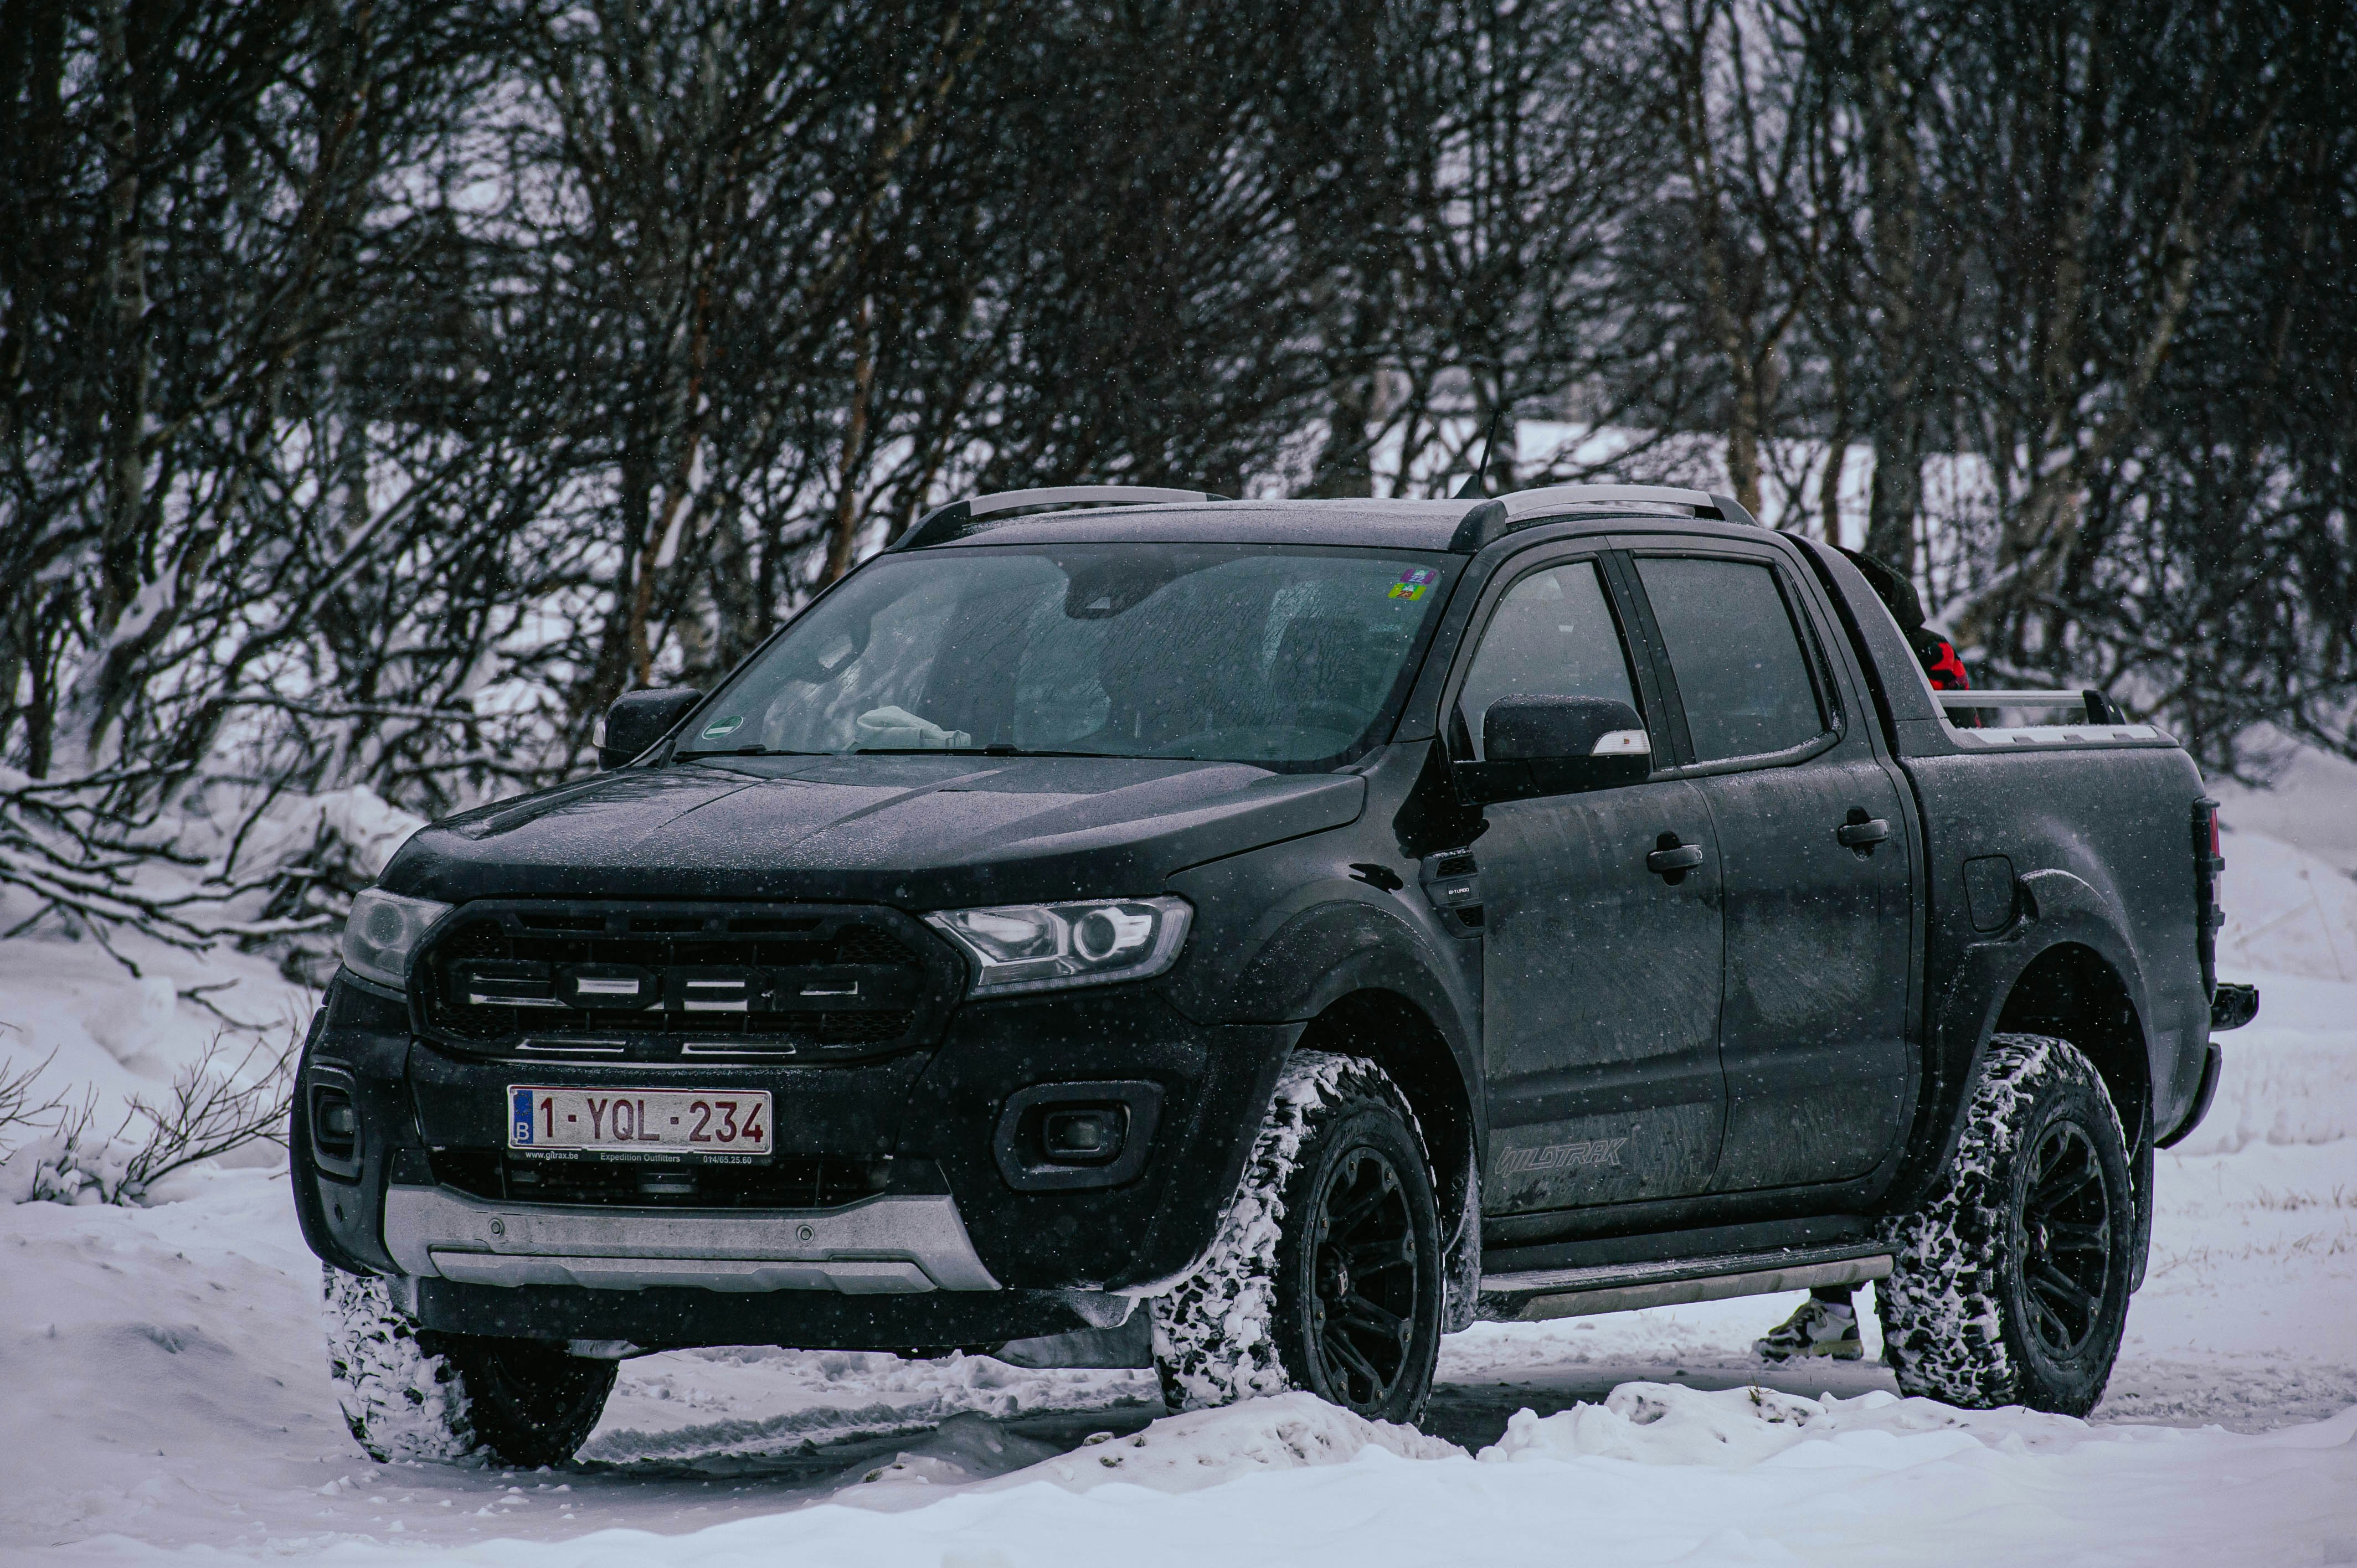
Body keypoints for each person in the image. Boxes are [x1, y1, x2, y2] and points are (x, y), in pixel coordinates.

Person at [1754, 546, 1971, 1365]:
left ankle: (1863, 1304)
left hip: (1887, 910)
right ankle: (1835, 1307)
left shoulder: (1907, 670)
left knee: (1874, 1105)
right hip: (1856, 906)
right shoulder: (1868, 661)